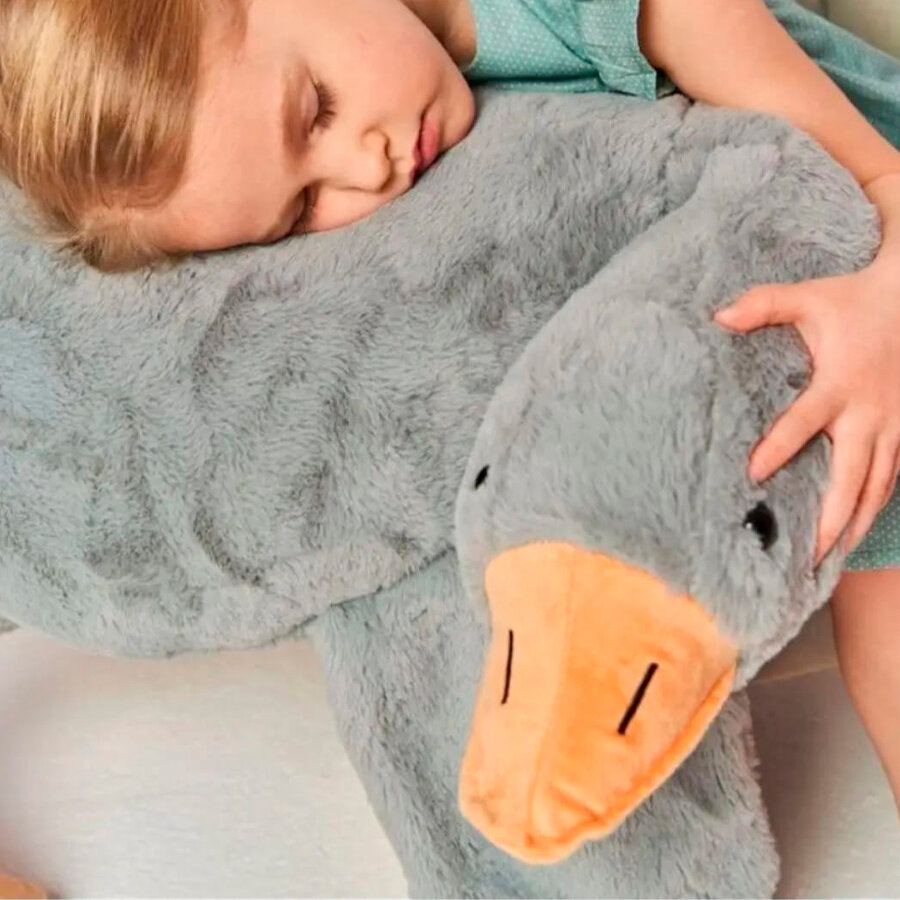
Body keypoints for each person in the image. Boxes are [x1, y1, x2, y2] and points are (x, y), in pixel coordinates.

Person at [0, 0, 898, 812]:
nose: (366, 168)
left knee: (879, 596)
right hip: (769, 340)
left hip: (870, 212)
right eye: (302, 208)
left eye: (316, 109)